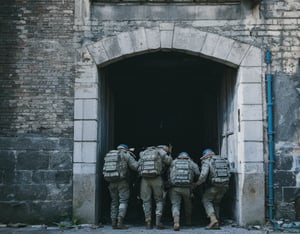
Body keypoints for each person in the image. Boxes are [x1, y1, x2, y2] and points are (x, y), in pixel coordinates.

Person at [102, 144, 138, 229]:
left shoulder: (110, 155)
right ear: (125, 149)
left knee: (114, 202)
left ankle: (113, 222)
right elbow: (135, 167)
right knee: (123, 201)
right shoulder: (126, 154)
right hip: (122, 182)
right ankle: (120, 222)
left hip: (111, 182)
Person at [194, 148, 231, 229]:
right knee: (216, 203)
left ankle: (213, 219)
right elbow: (229, 173)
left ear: (204, 154)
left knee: (206, 200)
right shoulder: (223, 160)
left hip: (214, 186)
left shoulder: (207, 161)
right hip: (225, 186)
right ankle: (216, 223)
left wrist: (196, 184)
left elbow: (203, 176)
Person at [138, 145, 172, 229]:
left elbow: (137, 166)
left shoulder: (144, 153)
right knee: (159, 200)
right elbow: (169, 162)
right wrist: (170, 154)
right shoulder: (161, 152)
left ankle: (148, 222)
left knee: (146, 200)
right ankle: (158, 222)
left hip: (144, 180)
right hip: (157, 178)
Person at [168, 152, 200, 231]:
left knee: (175, 205)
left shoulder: (173, 162)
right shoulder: (191, 163)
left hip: (175, 188)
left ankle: (176, 222)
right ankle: (188, 221)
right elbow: (198, 173)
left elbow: (168, 173)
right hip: (187, 188)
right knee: (188, 204)